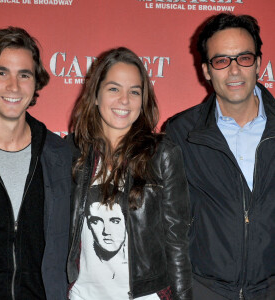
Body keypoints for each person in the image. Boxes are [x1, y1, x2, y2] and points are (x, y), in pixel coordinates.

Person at [67, 47, 192, 300]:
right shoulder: (73, 154)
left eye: (134, 92)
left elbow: (177, 243)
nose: (125, 100)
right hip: (83, 295)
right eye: (114, 89)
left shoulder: (161, 154)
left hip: (144, 296)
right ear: (95, 95)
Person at [166, 13, 275, 300]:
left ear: (259, 64)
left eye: (244, 58)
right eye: (222, 60)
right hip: (204, 290)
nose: (235, 70)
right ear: (206, 70)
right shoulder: (181, 133)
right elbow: (168, 222)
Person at [0, 27, 72, 300]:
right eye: (1, 72)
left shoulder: (62, 156)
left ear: (36, 82)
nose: (13, 86)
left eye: (24, 75)